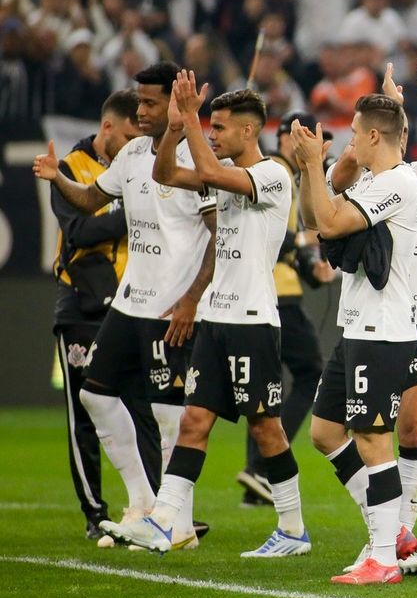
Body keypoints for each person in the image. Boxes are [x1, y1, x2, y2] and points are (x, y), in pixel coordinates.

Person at [103, 76, 309, 557]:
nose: (212, 135)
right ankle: (165, 521)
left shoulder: (272, 175)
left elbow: (211, 176)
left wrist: (190, 118)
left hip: (253, 321)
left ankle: (293, 528)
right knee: (194, 421)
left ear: (247, 131)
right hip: (215, 321)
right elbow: (166, 176)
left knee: (266, 429)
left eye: (219, 128)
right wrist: (176, 128)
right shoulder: (223, 170)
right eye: (209, 127)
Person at [33, 62, 216, 551]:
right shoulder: (134, 153)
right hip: (130, 301)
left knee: (167, 414)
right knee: (95, 395)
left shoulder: (202, 162)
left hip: (170, 308)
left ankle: (178, 522)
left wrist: (191, 301)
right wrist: (56, 178)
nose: (140, 111)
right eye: (139, 103)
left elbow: (219, 236)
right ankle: (144, 504)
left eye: (150, 102)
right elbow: (92, 199)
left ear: (175, 105)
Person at [326, 51, 417, 577]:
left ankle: (395, 535)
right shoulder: (372, 175)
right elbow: (335, 186)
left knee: (411, 426)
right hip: (376, 314)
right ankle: (393, 532)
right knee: (372, 427)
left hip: (415, 315)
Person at [296, 94, 417, 586]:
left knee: (372, 437)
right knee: (326, 433)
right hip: (356, 327)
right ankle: (388, 534)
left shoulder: (397, 184)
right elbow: (313, 220)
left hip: (384, 329)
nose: (349, 141)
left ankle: (385, 558)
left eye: (353, 133)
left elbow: (328, 223)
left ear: (373, 135)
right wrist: (315, 170)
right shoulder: (369, 181)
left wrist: (311, 163)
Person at [49, 89, 149, 541]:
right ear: (108, 127)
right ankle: (95, 512)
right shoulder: (71, 169)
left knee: (145, 407)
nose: (132, 144)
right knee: (84, 415)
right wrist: (134, 215)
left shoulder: (134, 165)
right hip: (83, 305)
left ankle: (153, 507)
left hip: (131, 305)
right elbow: (77, 230)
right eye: (127, 135)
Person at [236, 111, 333, 507]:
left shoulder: (268, 169)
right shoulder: (278, 174)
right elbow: (284, 241)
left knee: (266, 384)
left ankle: (256, 477)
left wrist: (308, 264)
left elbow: (287, 239)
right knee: (310, 374)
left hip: (258, 293)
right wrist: (307, 262)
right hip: (279, 295)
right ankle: (262, 466)